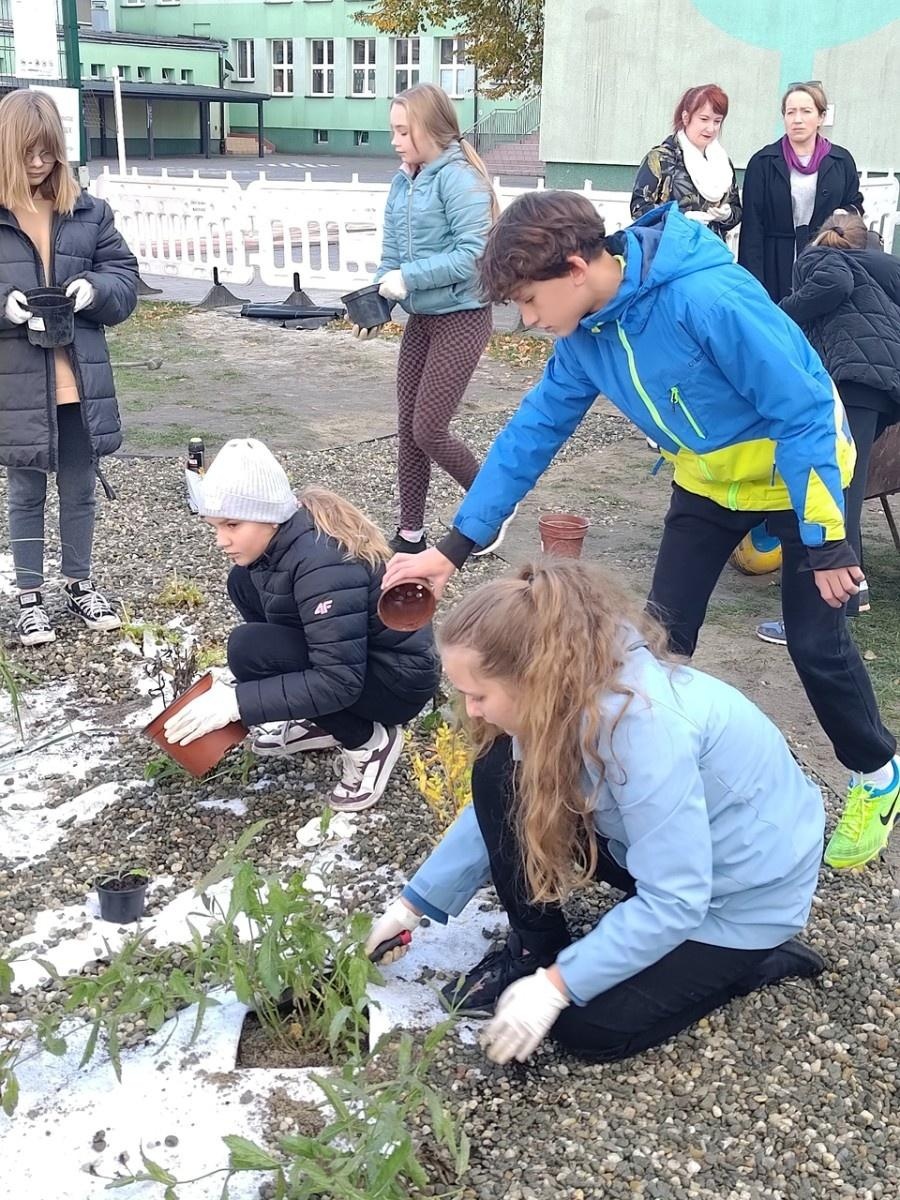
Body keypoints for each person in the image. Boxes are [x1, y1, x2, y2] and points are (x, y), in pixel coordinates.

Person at [382, 190, 900, 872]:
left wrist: (827, 539)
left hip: (801, 471)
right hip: (711, 482)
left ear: (575, 267)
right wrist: (451, 550)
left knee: (815, 642)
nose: (529, 320)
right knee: (656, 643)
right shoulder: (585, 335)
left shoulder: (707, 297)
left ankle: (877, 773)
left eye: (531, 302)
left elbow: (802, 409)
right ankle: (656, 777)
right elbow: (531, 434)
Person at [365, 561, 825, 1065]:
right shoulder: (572, 683)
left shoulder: (646, 733)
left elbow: (676, 899)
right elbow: (502, 808)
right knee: (499, 767)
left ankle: (752, 962)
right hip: (673, 850)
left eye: (478, 694)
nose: (470, 709)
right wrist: (413, 904)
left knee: (586, 1030)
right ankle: (533, 951)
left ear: (532, 678)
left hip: (739, 897)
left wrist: (558, 986)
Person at [164, 439, 440, 811]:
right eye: (215, 526)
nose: (221, 540)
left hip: (398, 681)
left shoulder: (320, 563)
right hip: (358, 665)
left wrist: (239, 703)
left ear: (268, 515)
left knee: (250, 651)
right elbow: (302, 648)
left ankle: (370, 743)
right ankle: (325, 720)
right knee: (241, 586)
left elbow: (338, 679)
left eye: (232, 524)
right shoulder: (270, 552)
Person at [0, 89, 138, 645]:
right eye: (28, 153)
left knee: (80, 489)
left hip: (79, 383)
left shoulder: (88, 211)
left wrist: (94, 290)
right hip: (17, 387)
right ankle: (30, 597)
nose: (39, 163)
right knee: (26, 492)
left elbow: (125, 279)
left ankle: (79, 584)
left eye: (48, 152)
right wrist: (5, 308)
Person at [353, 82, 497, 556]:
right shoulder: (404, 181)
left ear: (429, 129)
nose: (394, 140)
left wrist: (407, 279)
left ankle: (492, 505)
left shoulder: (460, 179)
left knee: (429, 427)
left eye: (402, 130)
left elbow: (474, 256)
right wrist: (379, 300)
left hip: (463, 316)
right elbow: (391, 255)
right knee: (408, 425)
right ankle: (411, 533)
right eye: (392, 131)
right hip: (423, 318)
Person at [738, 82, 864, 303]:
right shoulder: (763, 162)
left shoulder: (841, 161)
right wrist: (752, 282)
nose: (797, 119)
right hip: (775, 261)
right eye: (790, 112)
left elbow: (855, 206)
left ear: (821, 117)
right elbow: (752, 228)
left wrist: (843, 214)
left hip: (825, 259)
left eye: (806, 111)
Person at [630, 83, 741, 240]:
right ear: (686, 117)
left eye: (717, 121)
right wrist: (680, 219)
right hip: (670, 252)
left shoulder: (723, 163)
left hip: (711, 253)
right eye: (704, 119)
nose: (711, 128)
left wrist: (726, 215)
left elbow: (736, 210)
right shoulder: (661, 159)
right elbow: (639, 208)